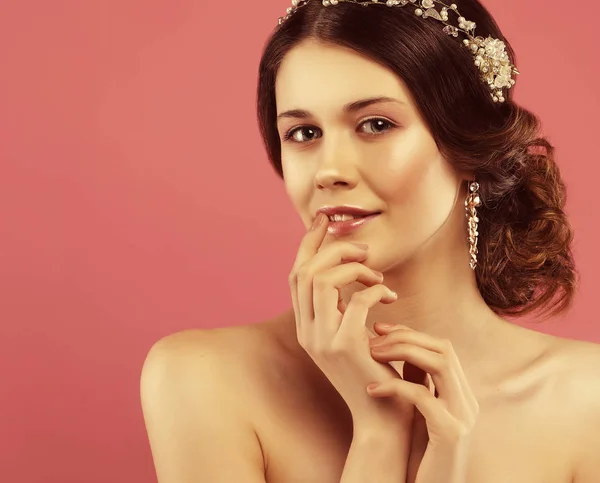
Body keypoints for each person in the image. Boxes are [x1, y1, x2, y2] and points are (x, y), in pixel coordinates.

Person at [140, 0, 600, 481]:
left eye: (376, 125)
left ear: (469, 147)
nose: (330, 170)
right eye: (303, 132)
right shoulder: (205, 378)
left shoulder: (587, 400)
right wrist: (380, 434)